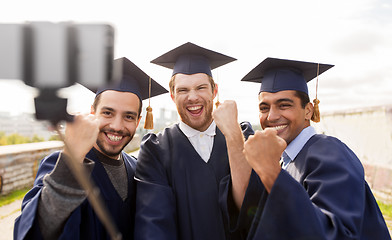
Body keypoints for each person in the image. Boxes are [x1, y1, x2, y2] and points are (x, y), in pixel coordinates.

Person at [218, 57, 391, 239]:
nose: (272, 116)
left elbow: (337, 234)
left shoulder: (330, 153)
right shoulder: (286, 159)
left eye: (284, 105)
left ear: (308, 110)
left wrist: (271, 172)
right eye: (264, 107)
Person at [13, 57, 168, 240]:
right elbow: (34, 232)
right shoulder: (60, 163)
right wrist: (71, 159)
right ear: (93, 112)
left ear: (138, 121)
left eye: (128, 116)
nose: (117, 126)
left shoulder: (136, 169)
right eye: (108, 113)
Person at [134, 42, 254, 240]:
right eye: (183, 90)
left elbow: (258, 209)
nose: (192, 97)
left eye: (201, 88)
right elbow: (153, 224)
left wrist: (233, 135)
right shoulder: (156, 150)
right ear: (172, 96)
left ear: (214, 91)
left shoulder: (242, 137)